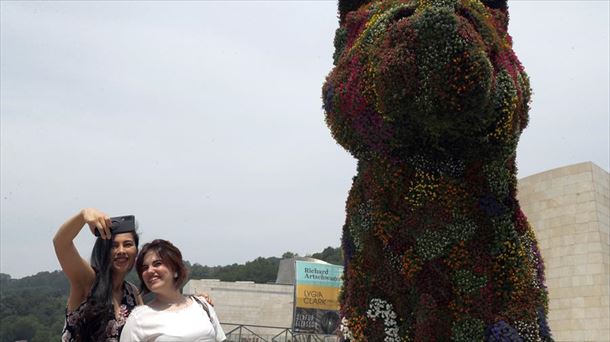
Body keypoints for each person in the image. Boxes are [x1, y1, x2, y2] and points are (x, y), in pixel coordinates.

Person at [53, 208, 142, 342]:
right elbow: (61, 243)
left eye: (128, 244)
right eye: (114, 246)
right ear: (104, 250)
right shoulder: (88, 281)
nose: (121, 251)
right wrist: (83, 215)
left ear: (136, 251)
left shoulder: (133, 293)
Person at [120, 239, 226, 342]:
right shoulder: (139, 318)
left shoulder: (203, 305)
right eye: (145, 268)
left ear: (175, 269)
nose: (150, 270)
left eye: (157, 264)